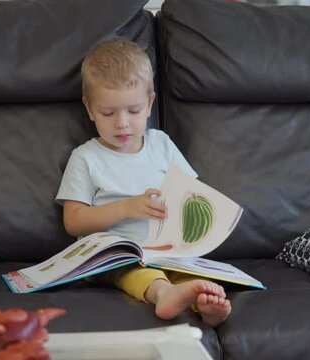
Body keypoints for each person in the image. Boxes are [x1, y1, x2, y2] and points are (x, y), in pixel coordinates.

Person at [55, 39, 231, 326]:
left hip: (166, 250)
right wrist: (127, 207)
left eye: (133, 111)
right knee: (138, 272)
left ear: (149, 103)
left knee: (190, 275)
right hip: (114, 255)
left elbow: (191, 194)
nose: (122, 123)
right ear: (89, 109)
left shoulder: (161, 144)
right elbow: (73, 222)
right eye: (108, 113)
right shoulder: (86, 157)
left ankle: (205, 304)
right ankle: (164, 295)